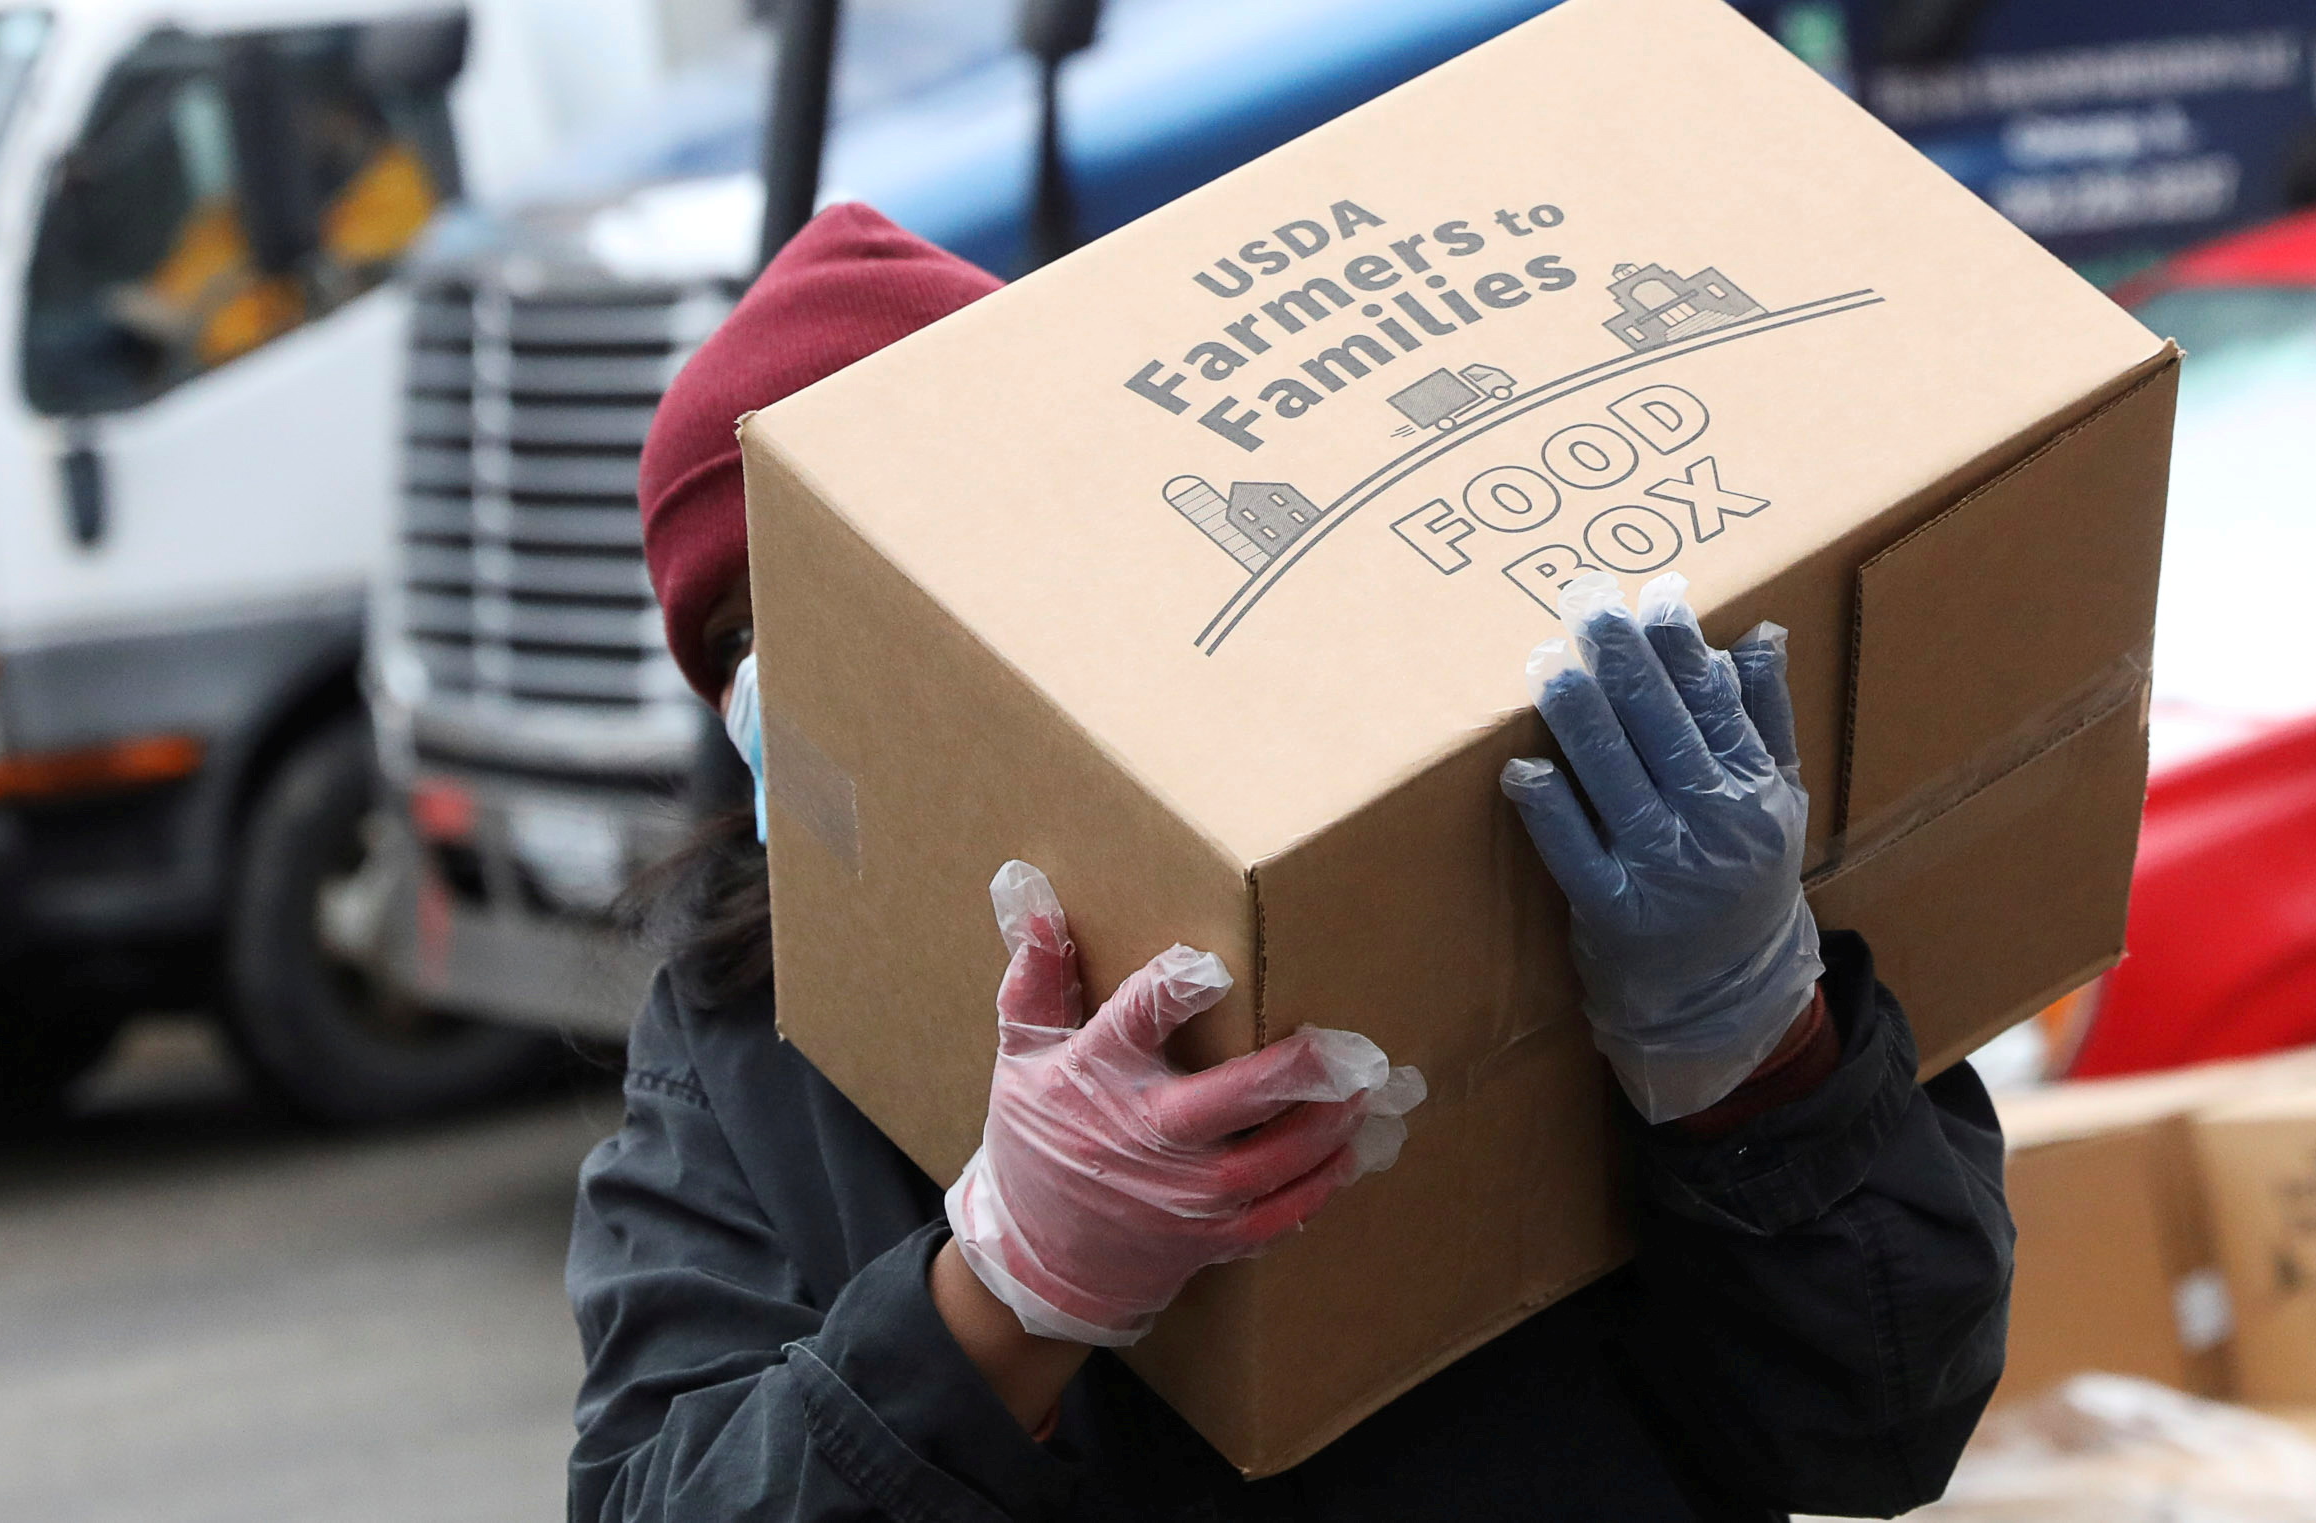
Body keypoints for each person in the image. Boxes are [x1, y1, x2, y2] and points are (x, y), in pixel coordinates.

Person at [567, 205, 2013, 1523]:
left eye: (907, 565)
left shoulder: (1515, 809)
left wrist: (1760, 1056)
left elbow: (1884, 1417)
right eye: (762, 629)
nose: (873, 670)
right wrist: (1000, 1290)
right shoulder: (741, 1048)